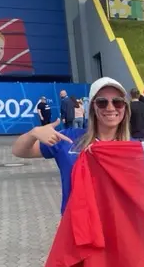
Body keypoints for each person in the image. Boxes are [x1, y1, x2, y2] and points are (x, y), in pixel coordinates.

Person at [11, 77, 132, 213]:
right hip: (76, 228)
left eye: (118, 102)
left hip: (118, 229)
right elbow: (19, 151)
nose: (110, 108)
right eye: (102, 102)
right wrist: (33, 133)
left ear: (125, 108)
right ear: (93, 107)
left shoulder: (135, 149)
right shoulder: (68, 139)